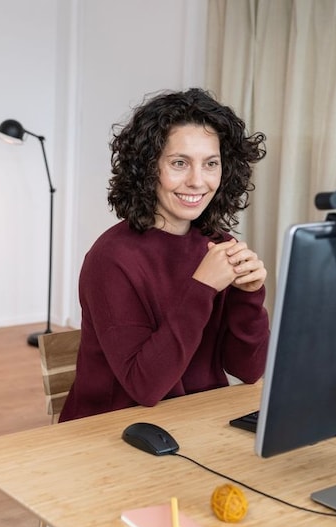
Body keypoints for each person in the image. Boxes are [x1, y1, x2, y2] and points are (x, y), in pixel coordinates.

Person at [59, 88, 270, 422]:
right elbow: (144, 387)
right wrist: (202, 288)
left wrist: (249, 295)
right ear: (148, 168)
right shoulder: (111, 258)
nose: (197, 181)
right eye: (179, 163)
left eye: (211, 164)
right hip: (113, 429)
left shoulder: (218, 246)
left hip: (196, 422)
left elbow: (249, 369)